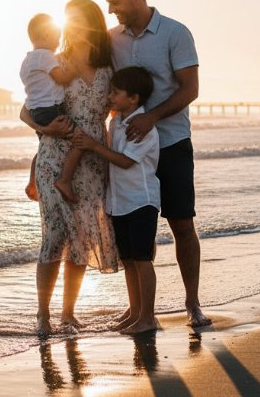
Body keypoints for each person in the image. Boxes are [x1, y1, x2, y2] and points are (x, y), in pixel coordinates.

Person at [103, 0, 213, 327]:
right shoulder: (112, 38)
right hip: (131, 148)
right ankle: (140, 309)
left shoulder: (175, 33)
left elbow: (189, 89)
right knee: (138, 228)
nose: (111, 10)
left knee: (182, 224)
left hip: (172, 142)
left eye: (115, 2)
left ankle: (192, 303)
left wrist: (152, 117)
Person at [20, 0, 119, 335]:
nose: (74, 28)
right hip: (54, 156)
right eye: (69, 22)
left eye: (80, 21)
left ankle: (68, 313)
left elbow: (123, 103)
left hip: (91, 158)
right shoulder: (56, 62)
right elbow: (26, 109)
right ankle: (43, 315)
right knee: (54, 236)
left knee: (81, 235)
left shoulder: (109, 68)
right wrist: (46, 128)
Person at [72, 66, 161, 335]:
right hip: (120, 202)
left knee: (143, 260)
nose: (109, 97)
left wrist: (92, 145)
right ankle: (135, 313)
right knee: (130, 261)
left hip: (141, 201)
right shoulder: (116, 122)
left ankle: (148, 317)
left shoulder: (142, 127)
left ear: (134, 98)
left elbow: (123, 161)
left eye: (115, 93)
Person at [20, 13, 84, 204]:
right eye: (57, 36)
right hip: (52, 110)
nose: (58, 42)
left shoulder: (26, 61)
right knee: (80, 140)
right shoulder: (46, 56)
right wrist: (75, 69)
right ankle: (64, 181)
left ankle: (32, 181)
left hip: (36, 111)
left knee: (43, 146)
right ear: (47, 35)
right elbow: (61, 78)